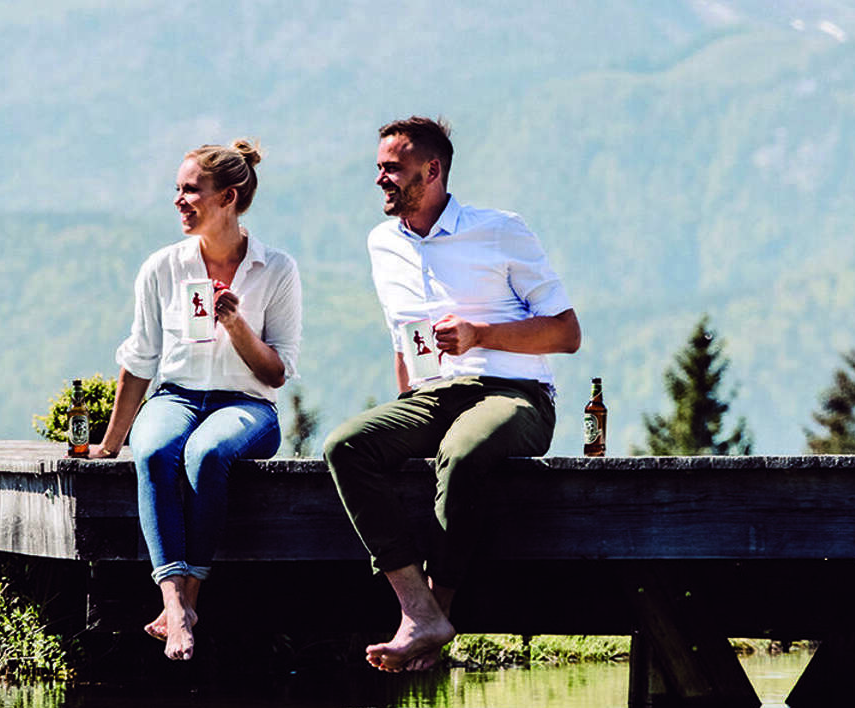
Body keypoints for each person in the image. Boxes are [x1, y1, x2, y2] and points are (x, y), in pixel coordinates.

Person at [323, 117, 580, 673]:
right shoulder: (381, 242)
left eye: (392, 168)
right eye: (378, 169)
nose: (380, 180)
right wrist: (402, 413)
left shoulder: (501, 230)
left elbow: (566, 332)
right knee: (346, 445)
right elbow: (402, 340)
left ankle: (439, 610)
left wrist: (479, 335)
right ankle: (415, 606)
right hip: (431, 396)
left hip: (516, 394)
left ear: (432, 170)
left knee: (461, 452)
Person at [90, 140, 302, 661]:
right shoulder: (163, 267)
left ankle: (190, 600)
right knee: (157, 449)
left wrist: (236, 325)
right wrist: (110, 443)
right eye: (177, 190)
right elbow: (140, 360)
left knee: (206, 454)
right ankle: (174, 602)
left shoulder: (276, 269)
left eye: (191, 191)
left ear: (228, 197)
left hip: (247, 406)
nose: (180, 201)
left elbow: (277, 374)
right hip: (176, 396)